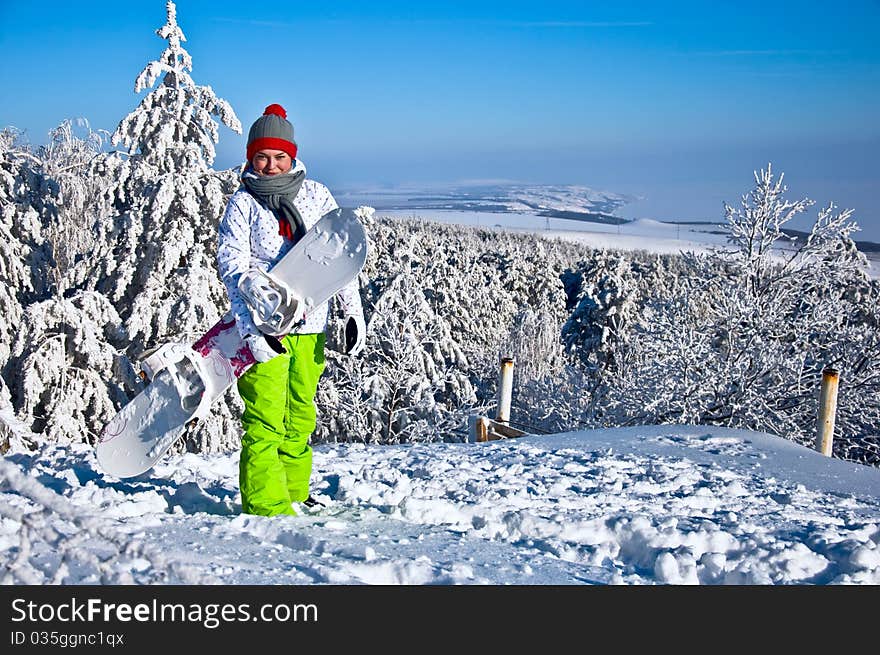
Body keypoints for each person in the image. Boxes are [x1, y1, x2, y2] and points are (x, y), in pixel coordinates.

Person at [217, 103, 366, 517]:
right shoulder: (243, 204)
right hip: (264, 329)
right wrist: (251, 320)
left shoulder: (317, 195)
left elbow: (339, 258)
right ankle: (267, 506)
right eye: (261, 157)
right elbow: (232, 265)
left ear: (291, 155)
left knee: (300, 414)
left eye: (278, 156)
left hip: (312, 324)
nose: (269, 165)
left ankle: (295, 493)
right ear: (250, 158)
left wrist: (352, 313)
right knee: (265, 418)